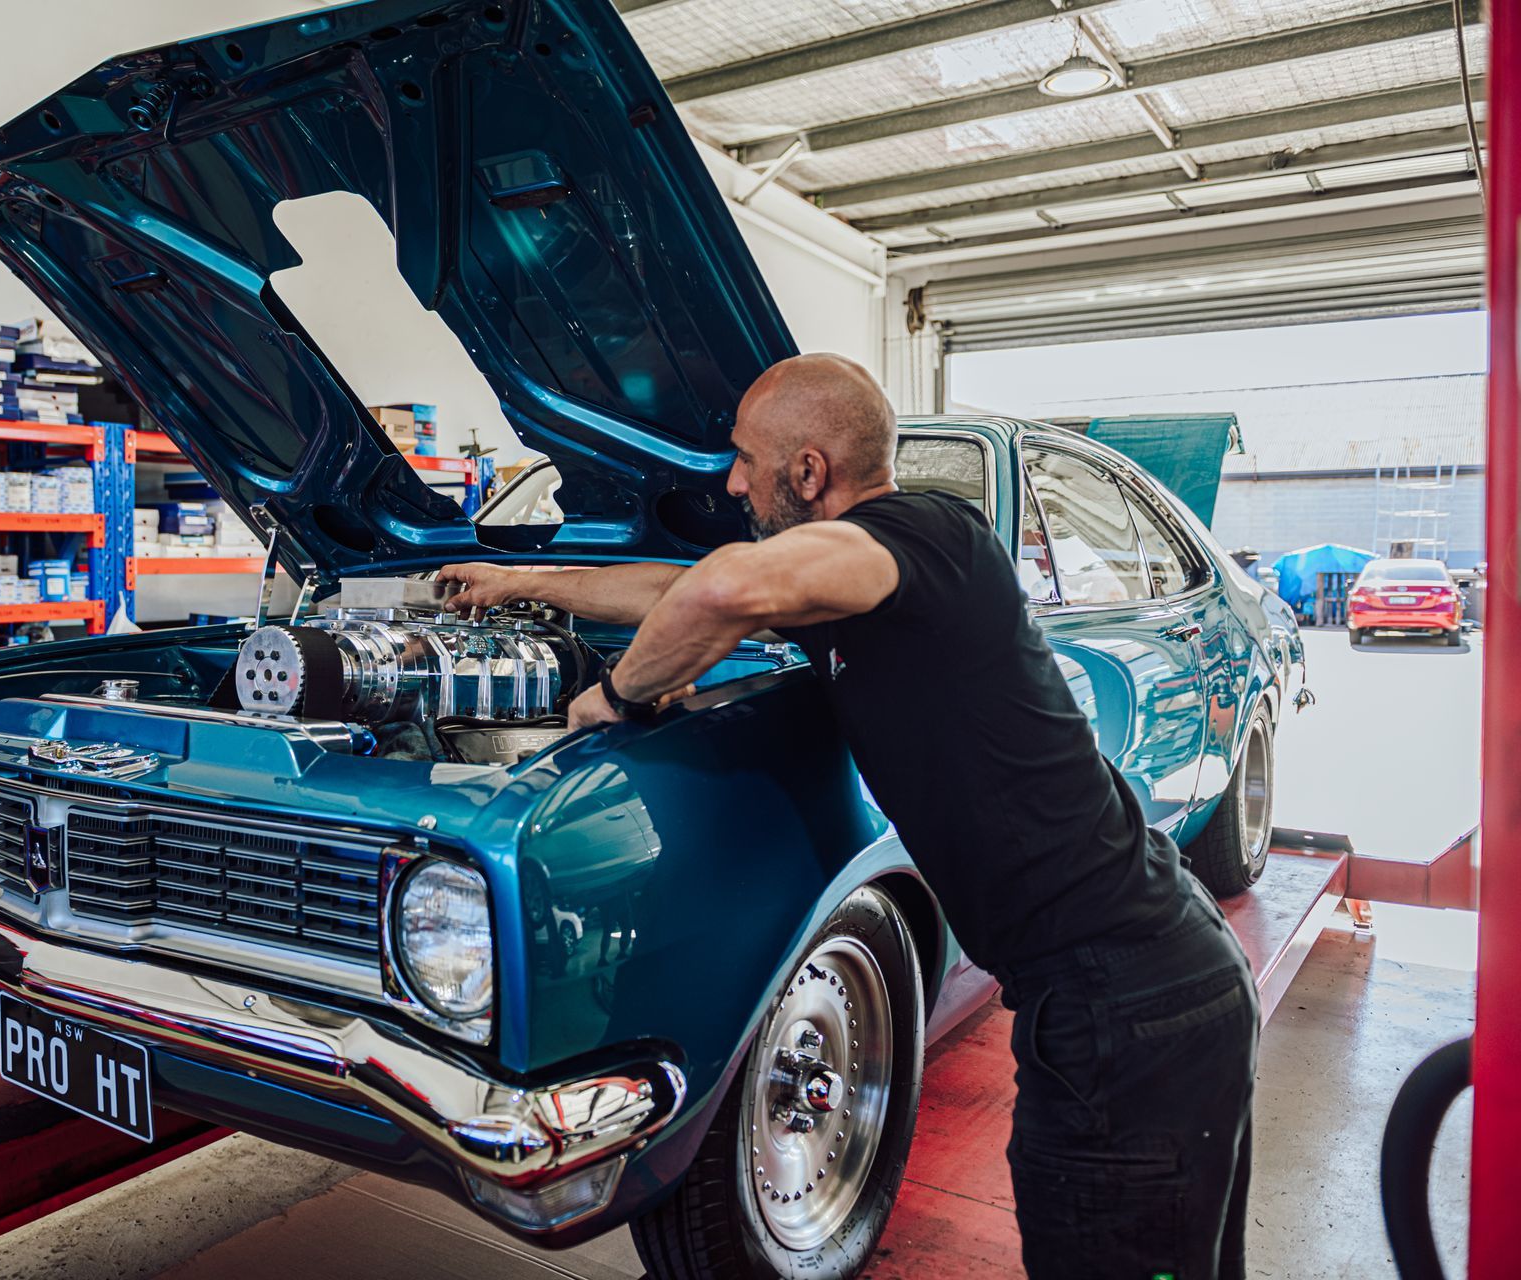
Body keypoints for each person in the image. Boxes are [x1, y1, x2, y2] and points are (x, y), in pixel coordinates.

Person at [437, 353, 1259, 1280]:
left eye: (746, 459)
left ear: (810, 473)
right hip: (1142, 983)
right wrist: (515, 584)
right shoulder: (859, 583)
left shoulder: (918, 535)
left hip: (1126, 1006)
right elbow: (685, 584)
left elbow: (723, 590)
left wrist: (618, 699)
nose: (731, 479)